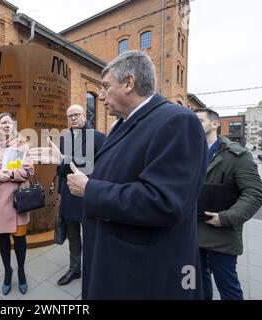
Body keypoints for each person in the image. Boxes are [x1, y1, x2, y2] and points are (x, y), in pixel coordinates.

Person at [66, 50, 208, 299]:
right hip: (119, 262)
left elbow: (164, 201)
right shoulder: (126, 123)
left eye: (106, 86)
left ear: (129, 83)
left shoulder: (176, 121)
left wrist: (90, 189)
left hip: (143, 274)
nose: (100, 96)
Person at [194, 108, 262, 300]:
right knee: (196, 285)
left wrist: (226, 218)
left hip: (221, 234)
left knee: (228, 287)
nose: (194, 124)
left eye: (199, 121)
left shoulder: (237, 156)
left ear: (216, 124)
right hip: (191, 233)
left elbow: (255, 193)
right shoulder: (187, 152)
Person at [0, 112, 34, 296]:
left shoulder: (22, 144)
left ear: (13, 126)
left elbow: (29, 171)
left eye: (9, 122)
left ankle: (21, 271)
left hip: (18, 200)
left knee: (20, 239)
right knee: (2, 238)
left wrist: (10, 174)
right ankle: (7, 273)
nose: (6, 125)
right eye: (3, 122)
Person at [54, 105, 105, 288]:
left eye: (76, 115)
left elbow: (101, 167)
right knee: (73, 236)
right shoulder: (64, 138)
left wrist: (69, 161)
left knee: (92, 236)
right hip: (68, 195)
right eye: (70, 116)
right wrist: (60, 193)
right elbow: (61, 170)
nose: (73, 118)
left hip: (88, 194)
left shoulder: (98, 138)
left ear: (84, 115)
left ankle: (94, 270)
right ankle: (75, 269)